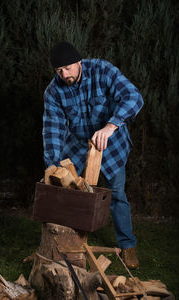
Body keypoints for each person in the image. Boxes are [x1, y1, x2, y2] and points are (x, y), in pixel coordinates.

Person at [42, 41, 144, 269]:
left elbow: (133, 97)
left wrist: (111, 126)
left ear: (79, 62)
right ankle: (67, 247)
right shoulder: (53, 91)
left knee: (116, 194)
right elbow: (52, 129)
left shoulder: (103, 71)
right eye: (59, 71)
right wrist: (52, 165)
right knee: (73, 196)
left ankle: (128, 247)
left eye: (68, 68)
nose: (64, 74)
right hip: (78, 147)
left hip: (111, 143)